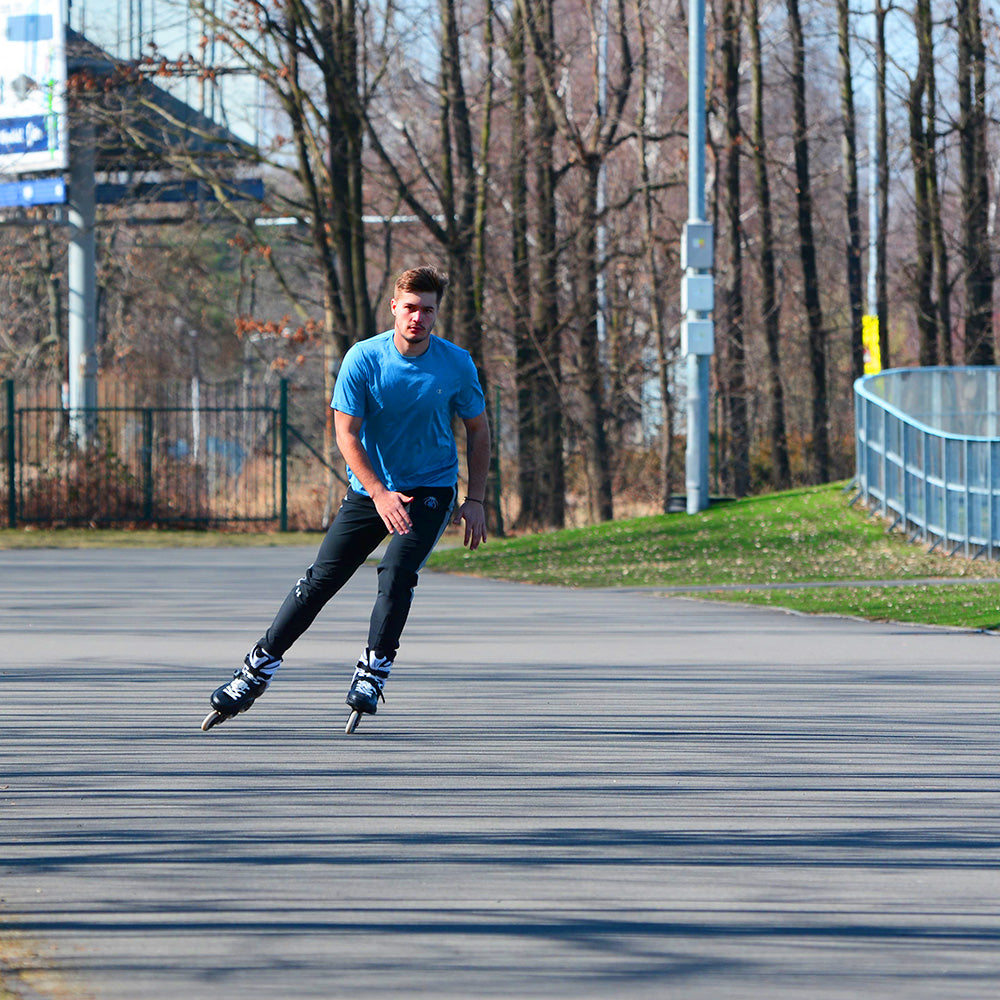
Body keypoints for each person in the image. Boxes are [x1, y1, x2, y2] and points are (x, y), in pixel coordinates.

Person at [204, 265, 490, 729]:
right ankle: (255, 671)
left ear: (437, 313)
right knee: (321, 579)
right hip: (371, 488)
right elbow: (346, 434)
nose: (418, 318)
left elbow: (478, 430)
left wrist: (475, 500)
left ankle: (373, 671)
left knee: (396, 572)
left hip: (431, 487)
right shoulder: (364, 358)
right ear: (394, 307)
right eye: (410, 308)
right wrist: (379, 493)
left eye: (428, 310)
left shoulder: (455, 363)